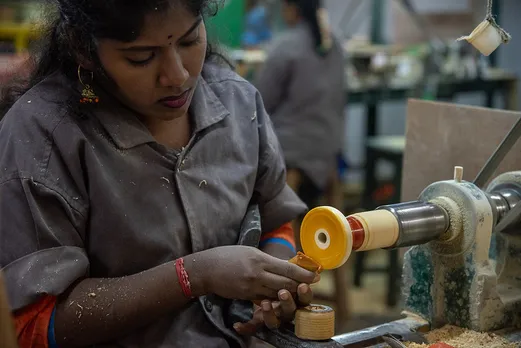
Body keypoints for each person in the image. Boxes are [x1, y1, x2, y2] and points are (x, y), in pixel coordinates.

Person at [0, 1, 320, 347]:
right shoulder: (42, 138)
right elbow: (34, 325)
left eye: (188, 41)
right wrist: (193, 276)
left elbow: (275, 221)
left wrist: (273, 283)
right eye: (141, 57)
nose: (178, 75)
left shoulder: (237, 101)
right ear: (84, 50)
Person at [254, 0, 346, 236]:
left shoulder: (286, 46)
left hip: (292, 153)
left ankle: (284, 262)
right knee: (337, 230)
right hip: (329, 149)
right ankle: (340, 271)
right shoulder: (332, 43)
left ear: (293, 9)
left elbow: (260, 101)